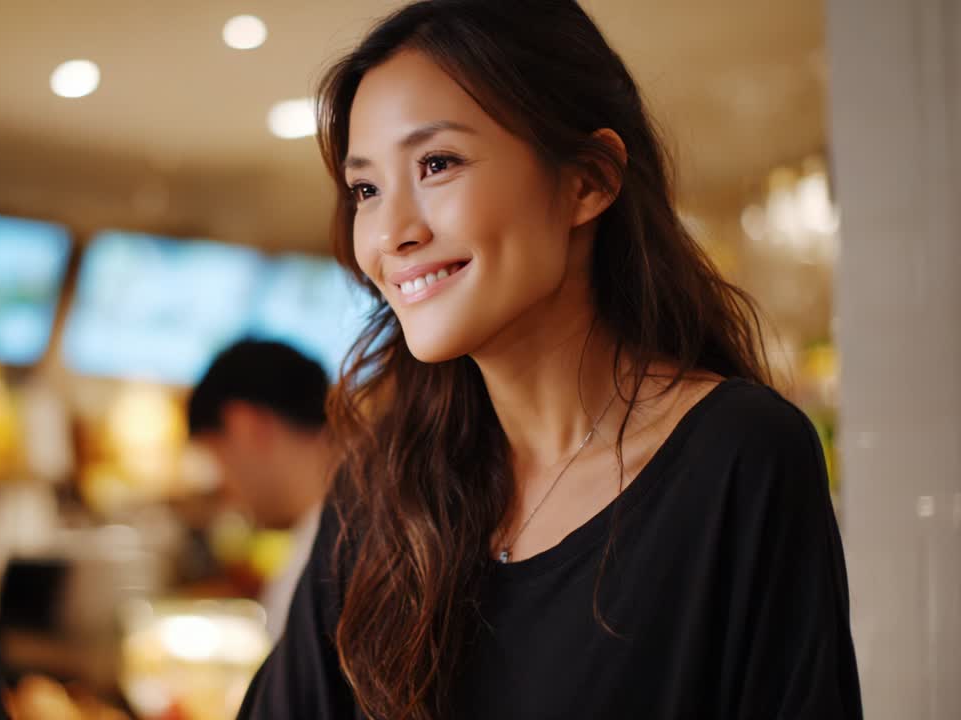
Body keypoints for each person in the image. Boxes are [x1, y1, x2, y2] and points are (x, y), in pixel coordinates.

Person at [237, 2, 862, 719]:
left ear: (589, 180)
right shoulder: (383, 493)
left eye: (437, 164)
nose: (392, 234)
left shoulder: (739, 457)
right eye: (367, 190)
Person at [188, 339, 333, 640]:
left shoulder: (318, 564)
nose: (223, 489)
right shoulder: (340, 528)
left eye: (216, 459)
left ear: (246, 426)